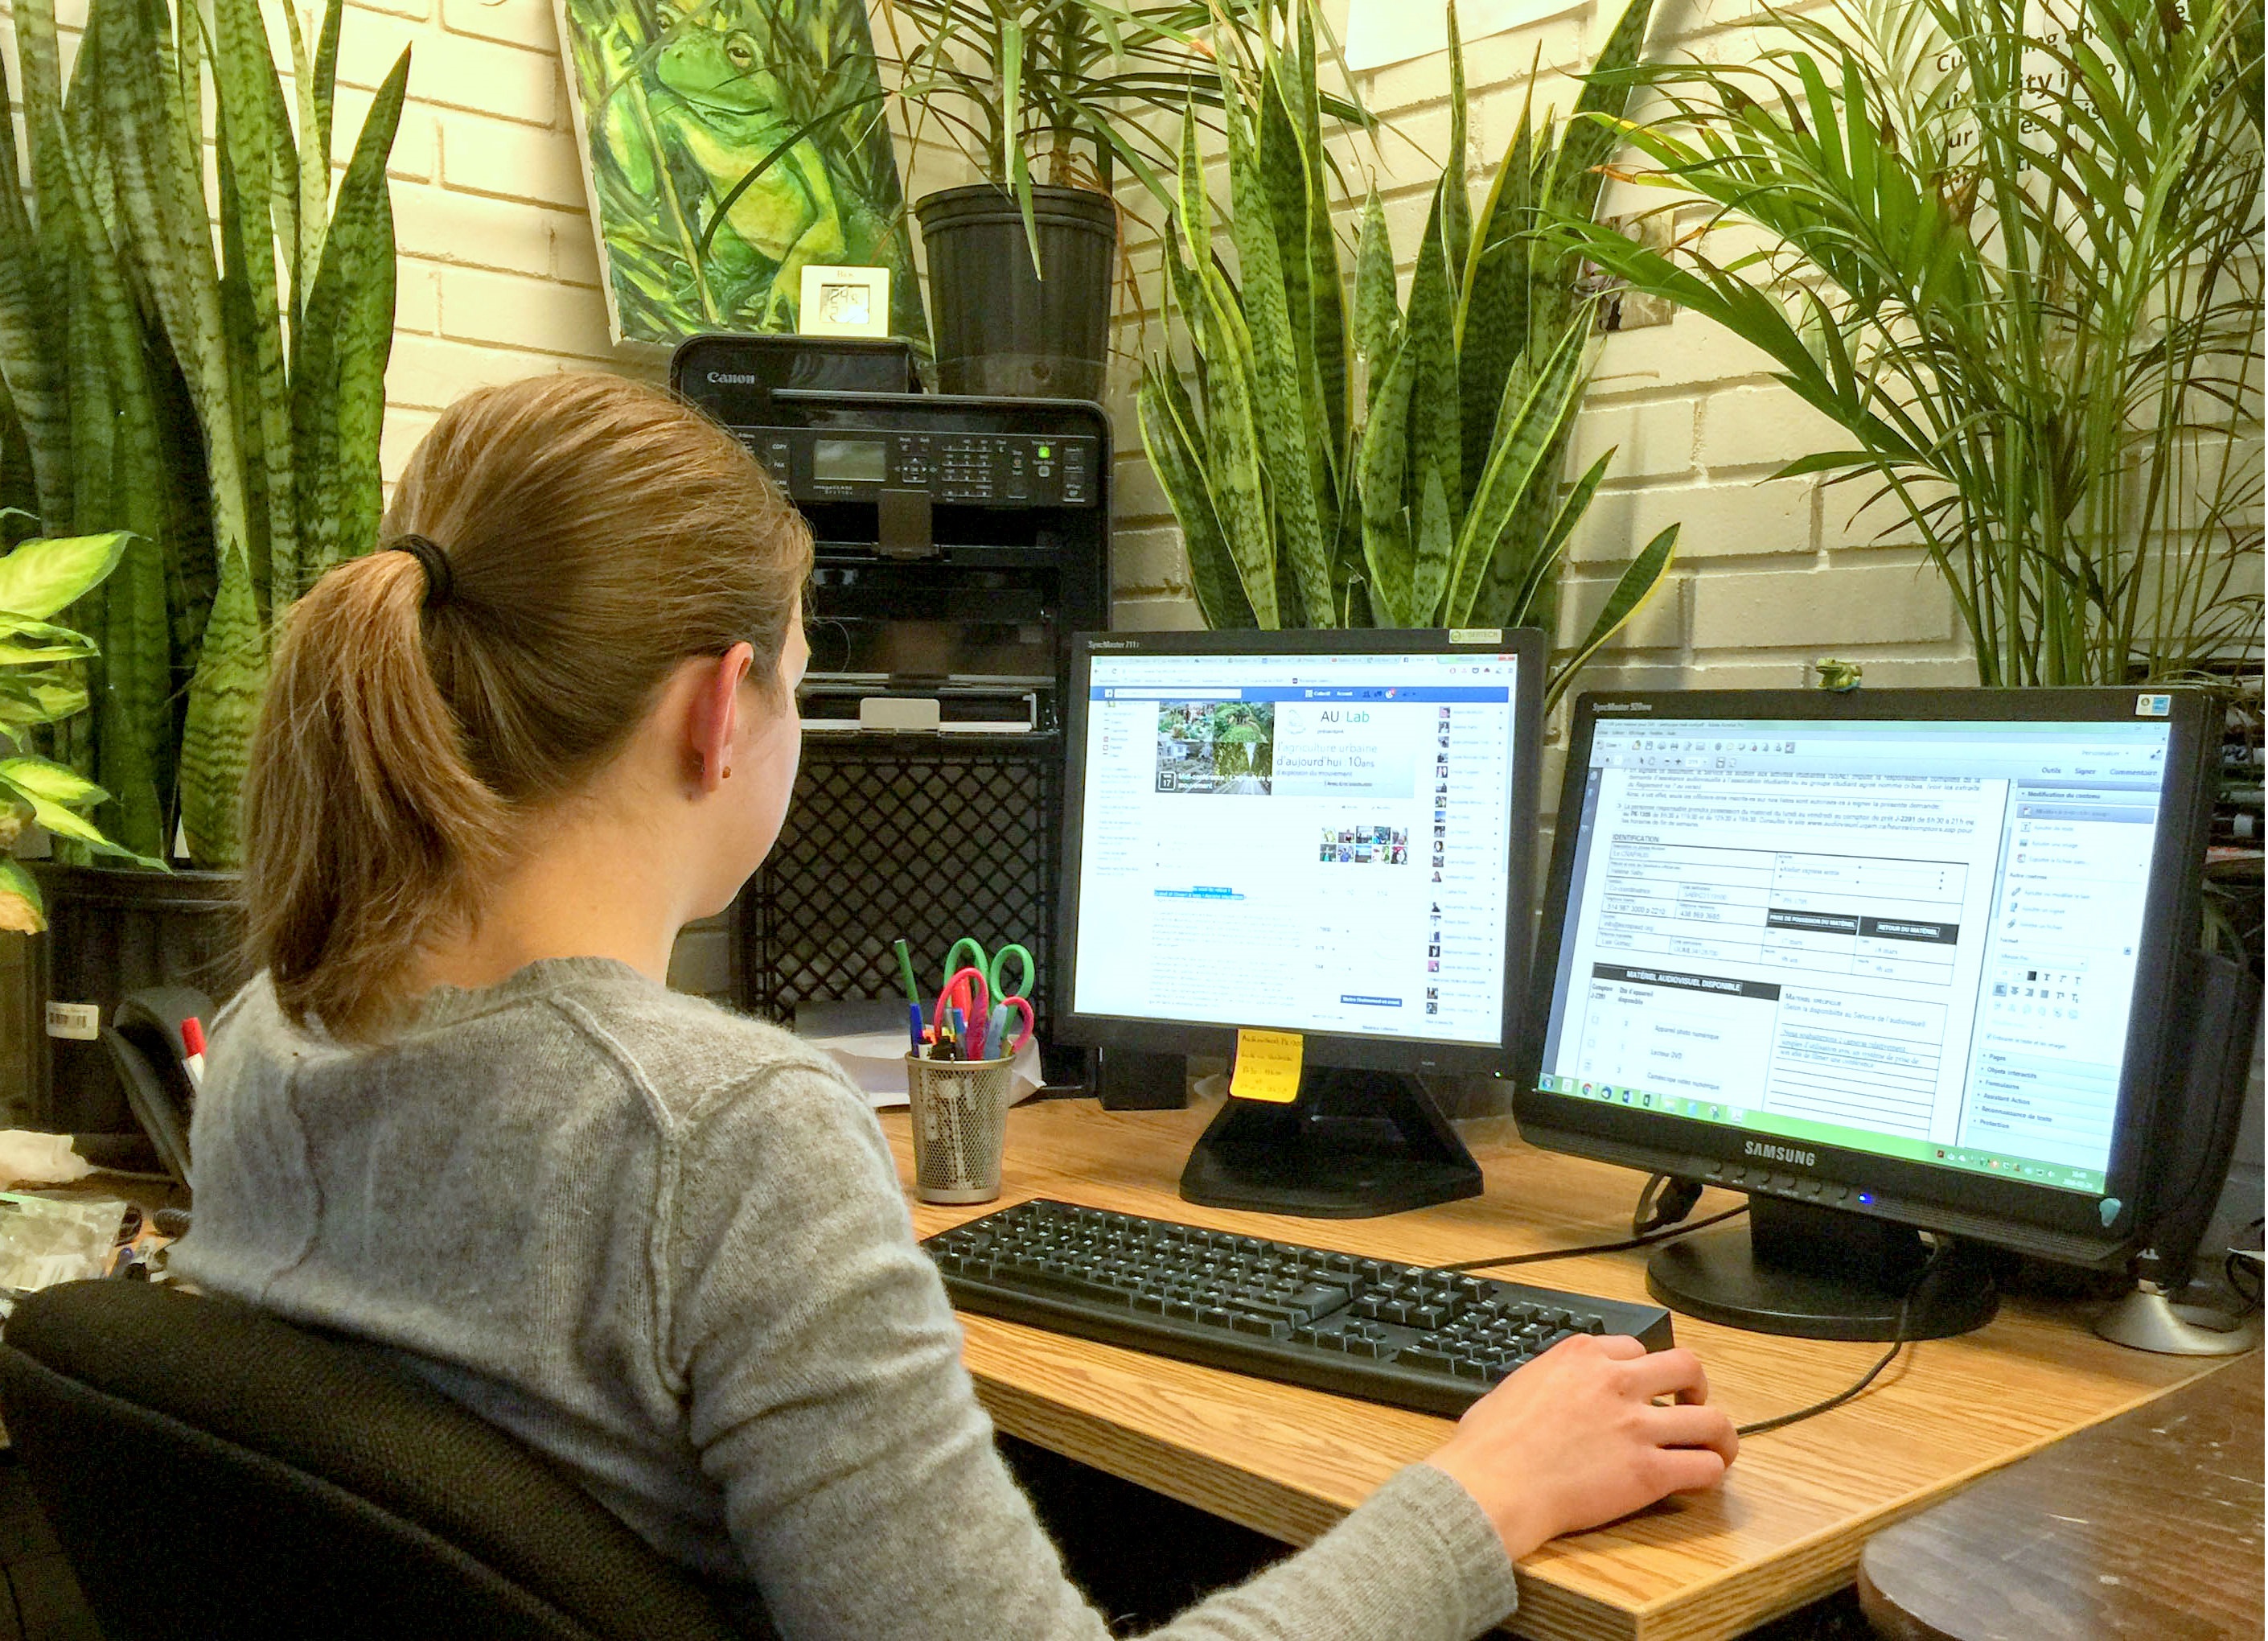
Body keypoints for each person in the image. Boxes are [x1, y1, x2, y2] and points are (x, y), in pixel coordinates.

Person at [176, 372, 1738, 1641]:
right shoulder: (726, 1136)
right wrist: (1484, 1493)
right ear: (725, 712)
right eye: (804, 670)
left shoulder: (262, 1040)